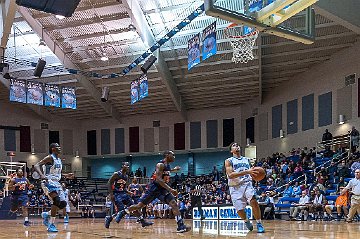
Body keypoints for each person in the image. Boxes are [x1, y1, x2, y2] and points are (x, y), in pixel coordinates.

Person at [122, 151, 190, 233]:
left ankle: (180, 226)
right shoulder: (160, 164)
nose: (174, 157)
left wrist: (173, 170)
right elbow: (159, 179)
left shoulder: (167, 165)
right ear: (167, 155)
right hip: (154, 189)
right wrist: (171, 189)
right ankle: (123, 211)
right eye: (173, 155)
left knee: (174, 204)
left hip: (162, 189)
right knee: (139, 206)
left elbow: (166, 171)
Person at [224, 142, 265, 233]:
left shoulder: (247, 160)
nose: (237, 146)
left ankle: (259, 223)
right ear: (231, 150)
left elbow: (252, 172)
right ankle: (246, 221)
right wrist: (247, 171)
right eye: (234, 145)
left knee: (253, 201)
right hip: (235, 187)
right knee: (240, 210)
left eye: (237, 145)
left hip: (247, 184)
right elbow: (230, 175)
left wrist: (256, 176)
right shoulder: (229, 160)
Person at [34, 143, 74, 232]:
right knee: (56, 200)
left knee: (63, 204)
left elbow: (57, 173)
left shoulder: (59, 160)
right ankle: (51, 224)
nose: (60, 148)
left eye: (60, 146)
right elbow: (37, 165)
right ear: (53, 149)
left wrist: (66, 175)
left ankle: (46, 214)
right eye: (57, 147)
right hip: (48, 181)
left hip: (57, 182)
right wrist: (41, 175)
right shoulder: (49, 157)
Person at [104, 162, 152, 229]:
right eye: (126, 165)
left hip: (124, 194)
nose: (128, 167)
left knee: (133, 207)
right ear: (122, 166)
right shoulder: (116, 174)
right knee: (121, 210)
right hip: (116, 194)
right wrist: (111, 194)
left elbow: (124, 188)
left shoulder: (126, 176)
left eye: (128, 166)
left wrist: (129, 192)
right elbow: (109, 183)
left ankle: (142, 221)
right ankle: (109, 218)